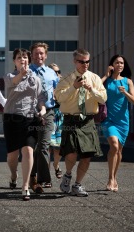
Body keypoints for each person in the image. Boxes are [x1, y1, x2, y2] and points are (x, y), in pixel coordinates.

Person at [54, 48, 107, 197]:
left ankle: (77, 185)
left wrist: (92, 90)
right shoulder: (66, 78)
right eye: (82, 62)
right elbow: (59, 98)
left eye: (87, 61)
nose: (85, 64)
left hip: (88, 120)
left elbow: (103, 98)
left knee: (87, 155)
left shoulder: (95, 78)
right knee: (71, 153)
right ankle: (68, 174)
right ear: (75, 62)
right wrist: (74, 87)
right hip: (71, 118)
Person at [3, 48, 46, 201]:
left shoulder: (36, 79)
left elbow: (41, 97)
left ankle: (25, 186)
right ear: (14, 61)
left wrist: (42, 109)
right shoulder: (10, 76)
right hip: (11, 118)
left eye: (25, 57)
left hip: (30, 119)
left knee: (28, 151)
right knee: (12, 156)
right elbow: (14, 82)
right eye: (19, 57)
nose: (23, 59)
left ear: (29, 60)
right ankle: (14, 174)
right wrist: (22, 74)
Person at [101, 55, 134, 192]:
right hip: (109, 120)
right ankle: (110, 178)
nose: (120, 65)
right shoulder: (107, 81)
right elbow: (96, 85)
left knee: (119, 150)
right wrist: (105, 75)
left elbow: (133, 101)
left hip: (123, 121)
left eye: (122, 63)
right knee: (114, 146)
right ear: (112, 65)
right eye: (117, 63)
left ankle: (114, 178)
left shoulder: (128, 82)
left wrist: (125, 93)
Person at [28, 42, 59, 193]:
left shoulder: (51, 73)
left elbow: (59, 91)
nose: (39, 56)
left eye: (41, 53)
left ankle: (43, 179)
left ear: (45, 55)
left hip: (48, 112)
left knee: (44, 146)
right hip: (29, 113)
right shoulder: (26, 72)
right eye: (36, 53)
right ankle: (32, 176)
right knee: (32, 147)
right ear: (31, 55)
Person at [48, 63, 64, 179]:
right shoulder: (46, 83)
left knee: (58, 147)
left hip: (60, 115)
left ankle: (56, 165)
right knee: (47, 147)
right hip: (48, 114)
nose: (57, 74)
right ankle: (46, 174)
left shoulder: (63, 83)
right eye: (54, 72)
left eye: (58, 71)